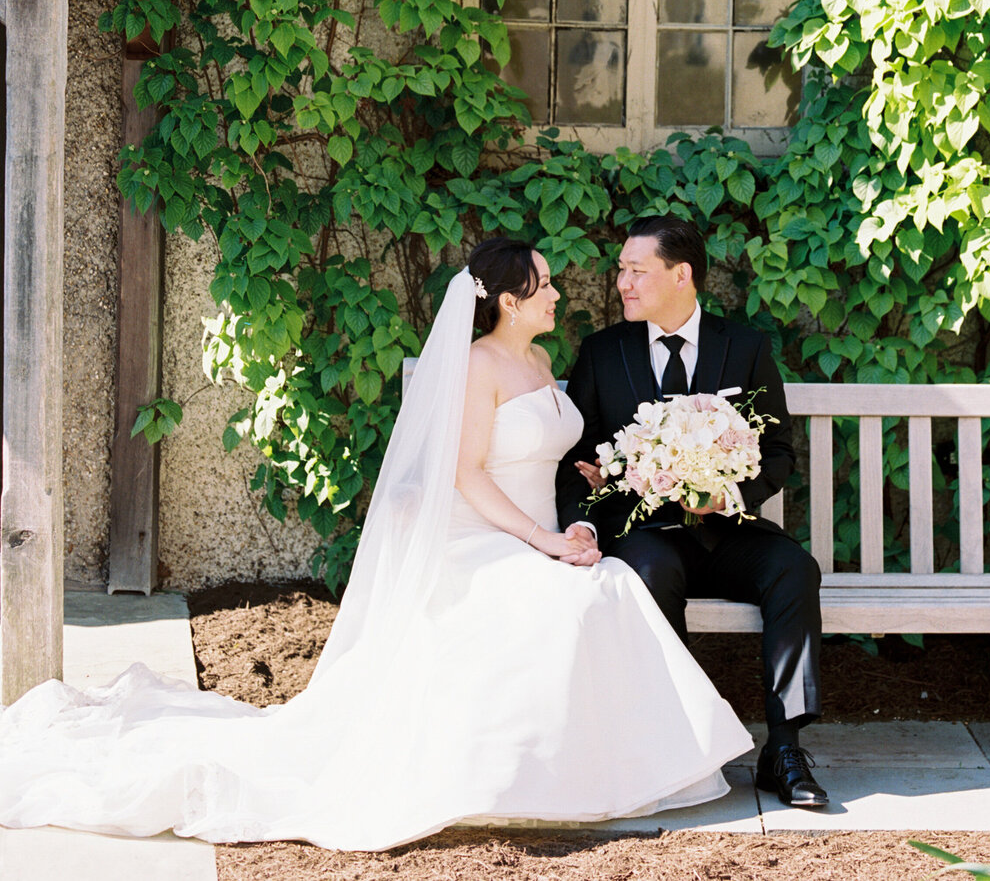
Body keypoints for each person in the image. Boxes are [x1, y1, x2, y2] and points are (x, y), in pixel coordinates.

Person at [0, 240, 750, 850]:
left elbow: (554, 466)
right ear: (511, 302)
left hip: (539, 533)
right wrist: (540, 543)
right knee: (564, 604)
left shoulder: (543, 363)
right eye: (545, 286)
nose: (559, 294)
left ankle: (608, 769)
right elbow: (463, 477)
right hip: (482, 537)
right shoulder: (481, 368)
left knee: (610, 588)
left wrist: (578, 525)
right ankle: (531, 778)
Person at [557, 214, 828, 809]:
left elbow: (778, 454)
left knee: (794, 569)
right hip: (647, 534)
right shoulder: (602, 353)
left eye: (636, 271)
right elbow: (575, 458)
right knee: (648, 574)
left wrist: (727, 493)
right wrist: (584, 519)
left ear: (681, 275)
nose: (622, 282)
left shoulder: (746, 347)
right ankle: (675, 742)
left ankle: (783, 749)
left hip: (728, 528)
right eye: (621, 270)